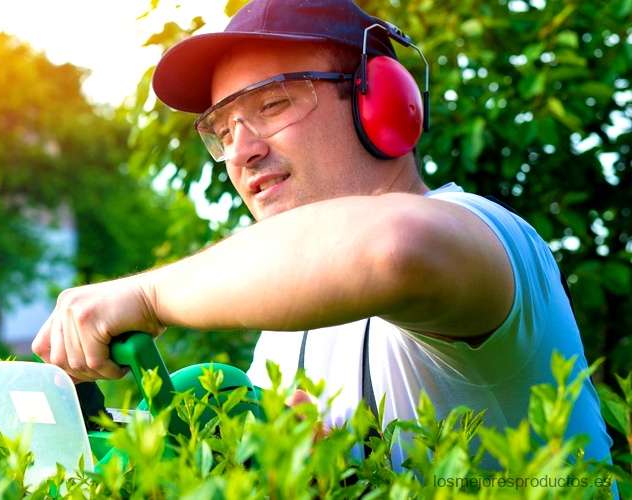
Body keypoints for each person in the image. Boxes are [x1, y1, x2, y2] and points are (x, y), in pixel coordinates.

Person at [30, 0, 612, 466]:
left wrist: (148, 295)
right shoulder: (285, 329)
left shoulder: (485, 238)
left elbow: (391, 248)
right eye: (222, 129)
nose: (243, 151)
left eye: (273, 104)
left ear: (381, 100)